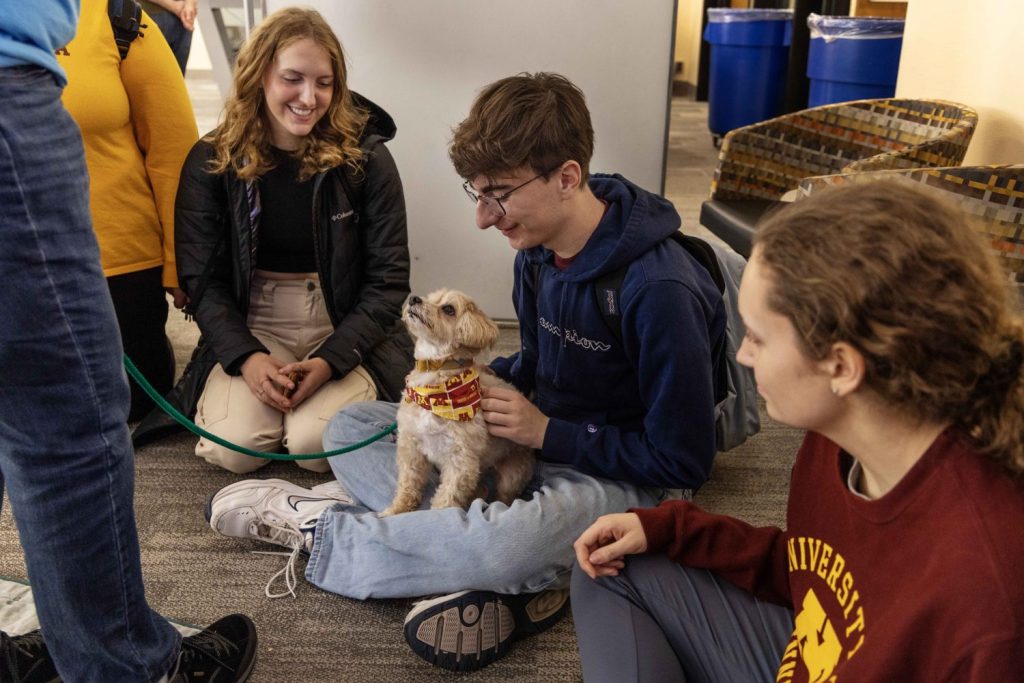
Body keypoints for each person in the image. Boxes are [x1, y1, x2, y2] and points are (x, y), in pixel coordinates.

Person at [205, 72, 726, 671]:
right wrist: (471, 386)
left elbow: (684, 460)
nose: (484, 218)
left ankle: (327, 529)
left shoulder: (659, 290)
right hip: (521, 445)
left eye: (498, 194)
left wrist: (546, 434)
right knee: (351, 428)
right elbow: (539, 361)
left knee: (513, 543)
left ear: (567, 177)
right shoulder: (537, 250)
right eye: (475, 194)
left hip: (618, 473)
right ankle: (491, 569)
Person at [571, 182, 1024, 682]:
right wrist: (673, 529)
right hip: (813, 652)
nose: (743, 356)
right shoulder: (836, 436)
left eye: (759, 338)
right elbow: (817, 573)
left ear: (841, 366)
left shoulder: (988, 601)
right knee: (611, 563)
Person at [0, 2, 256, 680]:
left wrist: (178, 272)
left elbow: (174, 149)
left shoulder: (125, 23)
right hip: (7, 90)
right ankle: (126, 667)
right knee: (68, 427)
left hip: (126, 258)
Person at [173, 6, 411, 474]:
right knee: (235, 450)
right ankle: (258, 407)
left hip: (337, 318)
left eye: (324, 83)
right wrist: (246, 356)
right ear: (260, 76)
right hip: (254, 318)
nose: (309, 97)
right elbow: (202, 282)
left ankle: (310, 411)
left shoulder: (368, 159)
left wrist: (330, 361)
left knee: (313, 445)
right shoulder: (210, 160)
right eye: (293, 78)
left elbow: (388, 284)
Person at [56, 0, 198, 423]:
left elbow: (175, 154)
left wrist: (181, 264)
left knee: (129, 401)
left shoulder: (117, 17)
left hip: (116, 263)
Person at [141, 0, 197, 75]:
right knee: (150, 77)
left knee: (177, 79)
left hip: (182, 17)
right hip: (151, 15)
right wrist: (175, 6)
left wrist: (190, 4)